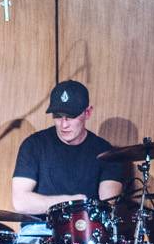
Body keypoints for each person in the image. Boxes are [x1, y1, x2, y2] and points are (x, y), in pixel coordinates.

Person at [8, 81, 126, 215]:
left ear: (87, 113)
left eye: (71, 117)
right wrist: (72, 202)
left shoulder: (107, 152)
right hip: (39, 228)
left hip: (85, 227)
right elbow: (20, 202)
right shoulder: (33, 145)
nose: (63, 125)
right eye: (58, 116)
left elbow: (107, 206)